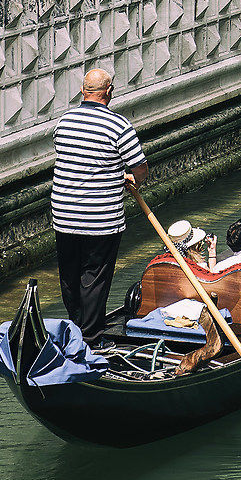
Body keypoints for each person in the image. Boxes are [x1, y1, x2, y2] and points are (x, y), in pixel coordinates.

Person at [50, 65, 147, 338]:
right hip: (100, 218)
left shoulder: (64, 121)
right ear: (110, 92)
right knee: (94, 276)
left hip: (64, 215)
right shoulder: (119, 126)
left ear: (83, 91)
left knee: (70, 276)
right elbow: (139, 166)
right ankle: (90, 336)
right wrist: (134, 180)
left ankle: (75, 327)